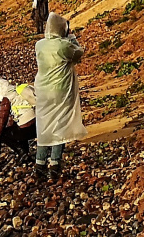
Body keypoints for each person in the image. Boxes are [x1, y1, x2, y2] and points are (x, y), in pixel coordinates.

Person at [32, 12, 84, 180]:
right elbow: (79, 54)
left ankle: (39, 164)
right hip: (61, 90)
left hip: (43, 90)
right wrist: (72, 36)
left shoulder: (39, 45)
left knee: (44, 126)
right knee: (60, 125)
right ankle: (54, 164)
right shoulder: (64, 46)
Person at [0, 77, 36, 157]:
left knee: (4, 134)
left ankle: (22, 151)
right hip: (38, 124)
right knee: (18, 126)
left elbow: (2, 122)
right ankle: (25, 153)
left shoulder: (7, 98)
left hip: (27, 128)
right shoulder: (18, 90)